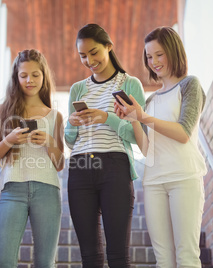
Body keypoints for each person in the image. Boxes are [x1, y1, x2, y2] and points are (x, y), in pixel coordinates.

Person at [114, 26, 206, 268]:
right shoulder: (152, 100)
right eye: (149, 56)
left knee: (186, 255)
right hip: (154, 183)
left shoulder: (189, 85)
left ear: (173, 52)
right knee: (163, 258)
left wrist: (143, 117)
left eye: (159, 54)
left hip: (184, 178)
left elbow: (184, 132)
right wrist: (133, 118)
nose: (153, 62)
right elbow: (146, 150)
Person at [65, 23, 146, 267]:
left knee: (118, 256)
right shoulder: (77, 89)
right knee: (89, 257)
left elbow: (138, 136)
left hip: (115, 166)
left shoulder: (130, 84)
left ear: (109, 47)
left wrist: (106, 117)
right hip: (79, 167)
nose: (89, 60)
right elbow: (70, 140)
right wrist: (71, 123)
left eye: (94, 52)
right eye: (83, 56)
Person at [0, 49, 64, 267]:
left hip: (48, 191)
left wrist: (49, 141)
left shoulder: (54, 116)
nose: (29, 80)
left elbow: (59, 165)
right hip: (13, 190)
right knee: (3, 261)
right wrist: (9, 140)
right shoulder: (3, 110)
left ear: (44, 76)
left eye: (35, 75)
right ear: (16, 78)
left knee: (45, 262)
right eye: (23, 75)